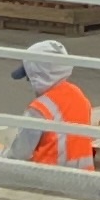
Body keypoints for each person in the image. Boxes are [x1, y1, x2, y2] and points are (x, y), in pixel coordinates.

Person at [13, 39, 94, 167]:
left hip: (50, 181)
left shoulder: (39, 110)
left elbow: (18, 155)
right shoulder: (78, 95)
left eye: (29, 77)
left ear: (36, 75)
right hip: (85, 180)